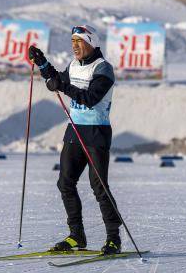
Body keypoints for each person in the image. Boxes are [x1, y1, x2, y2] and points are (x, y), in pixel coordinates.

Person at [28, 25, 123, 255]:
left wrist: (61, 85)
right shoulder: (73, 67)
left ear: (91, 43)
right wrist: (42, 63)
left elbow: (90, 98)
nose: (74, 46)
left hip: (96, 133)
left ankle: (113, 239)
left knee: (99, 187)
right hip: (74, 131)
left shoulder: (103, 69)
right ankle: (76, 235)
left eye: (79, 41)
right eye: (72, 41)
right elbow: (56, 79)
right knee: (65, 183)